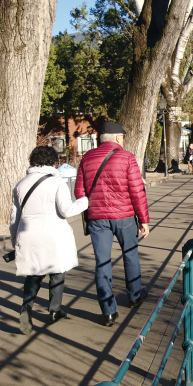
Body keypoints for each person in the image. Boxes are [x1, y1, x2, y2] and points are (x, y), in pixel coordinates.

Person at [75, 121, 150, 326]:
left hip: (97, 219)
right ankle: (134, 295)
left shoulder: (86, 158)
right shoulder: (127, 158)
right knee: (130, 255)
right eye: (123, 137)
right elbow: (137, 191)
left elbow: (79, 193)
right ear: (118, 138)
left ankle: (108, 311)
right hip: (124, 217)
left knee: (102, 263)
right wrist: (143, 220)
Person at [10, 146, 89, 335]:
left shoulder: (20, 185)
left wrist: (15, 241)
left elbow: (14, 218)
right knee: (57, 272)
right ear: (54, 162)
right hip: (53, 234)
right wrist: (85, 201)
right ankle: (54, 310)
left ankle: (26, 308)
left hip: (28, 234)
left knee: (34, 273)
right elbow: (66, 210)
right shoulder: (57, 182)